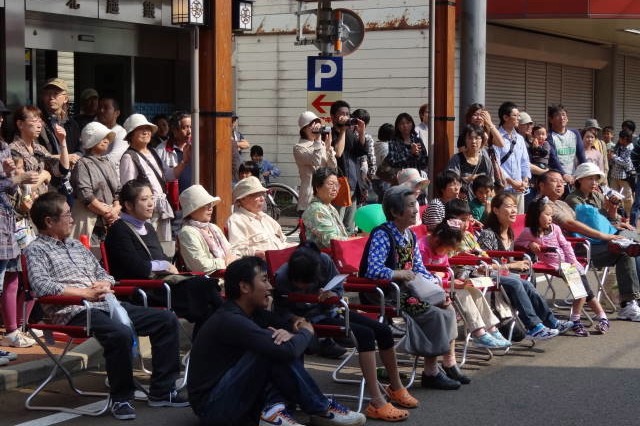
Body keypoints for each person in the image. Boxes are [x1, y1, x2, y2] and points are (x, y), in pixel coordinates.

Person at [25, 191, 188, 421]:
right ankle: (121, 397)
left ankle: (163, 390)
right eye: (67, 215)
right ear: (49, 221)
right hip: (74, 310)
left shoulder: (77, 246)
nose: (72, 220)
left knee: (166, 320)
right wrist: (84, 293)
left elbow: (104, 273)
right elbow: (41, 286)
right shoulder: (36, 250)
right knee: (119, 333)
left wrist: (104, 283)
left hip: (106, 303)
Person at [187, 256, 366, 426]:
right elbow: (290, 348)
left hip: (238, 400)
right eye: (264, 280)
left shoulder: (257, 314)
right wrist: (306, 330)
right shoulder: (230, 320)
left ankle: (276, 411)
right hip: (213, 408)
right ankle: (320, 408)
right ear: (244, 287)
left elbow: (310, 346)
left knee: (277, 345)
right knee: (270, 349)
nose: (270, 286)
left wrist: (295, 331)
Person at [274, 243, 416, 421]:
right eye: (299, 284)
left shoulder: (324, 262)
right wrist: (294, 318)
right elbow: (279, 310)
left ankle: (396, 387)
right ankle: (377, 401)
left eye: (307, 283)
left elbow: (339, 288)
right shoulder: (282, 277)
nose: (303, 287)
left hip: (329, 310)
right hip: (306, 319)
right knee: (365, 335)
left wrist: (332, 295)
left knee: (384, 330)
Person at [361, 185, 470, 390]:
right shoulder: (382, 234)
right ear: (394, 212)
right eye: (410, 205)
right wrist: (396, 273)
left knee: (447, 308)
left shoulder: (409, 236)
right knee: (436, 315)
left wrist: (438, 288)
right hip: (386, 294)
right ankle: (431, 372)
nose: (416, 209)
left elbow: (420, 269)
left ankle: (443, 366)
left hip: (408, 291)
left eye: (416, 204)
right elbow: (372, 270)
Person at [104, 180, 223, 338]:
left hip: (160, 284)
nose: (150, 204)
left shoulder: (148, 227)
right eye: (144, 199)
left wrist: (163, 264)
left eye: (151, 198)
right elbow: (137, 268)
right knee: (206, 290)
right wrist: (164, 264)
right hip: (140, 289)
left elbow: (159, 258)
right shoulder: (119, 230)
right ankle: (220, 340)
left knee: (208, 297)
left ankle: (202, 351)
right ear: (129, 205)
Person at [476, 192, 573, 339]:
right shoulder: (488, 234)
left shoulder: (509, 232)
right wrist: (514, 265)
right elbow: (485, 265)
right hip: (488, 276)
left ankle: (552, 322)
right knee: (516, 282)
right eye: (509, 206)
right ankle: (534, 327)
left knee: (526, 284)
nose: (514, 210)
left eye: (515, 206)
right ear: (495, 210)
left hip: (503, 275)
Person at [515, 196, 610, 335]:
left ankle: (592, 318)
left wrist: (572, 262)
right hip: (553, 264)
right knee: (582, 289)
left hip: (566, 263)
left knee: (582, 289)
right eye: (547, 215)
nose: (550, 218)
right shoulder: (528, 232)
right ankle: (584, 319)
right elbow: (517, 243)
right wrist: (529, 244)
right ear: (536, 215)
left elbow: (565, 245)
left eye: (551, 215)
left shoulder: (555, 228)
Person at [559, 165, 640, 320]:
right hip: (584, 246)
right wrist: (613, 226)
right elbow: (590, 226)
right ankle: (628, 304)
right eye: (590, 178)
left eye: (596, 178)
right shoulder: (573, 199)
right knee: (627, 247)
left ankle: (631, 301)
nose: (594, 181)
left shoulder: (597, 196)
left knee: (631, 248)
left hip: (602, 241)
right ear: (579, 179)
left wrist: (613, 209)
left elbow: (609, 220)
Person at [418, 219, 511, 348]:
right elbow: (423, 278)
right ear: (437, 239)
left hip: (441, 284)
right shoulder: (422, 249)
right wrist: (447, 282)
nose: (445, 253)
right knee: (461, 293)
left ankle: (492, 328)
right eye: (445, 249)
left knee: (473, 290)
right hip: (426, 289)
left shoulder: (442, 247)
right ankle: (478, 333)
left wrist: (447, 279)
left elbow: (445, 270)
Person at [119, 113, 174, 242]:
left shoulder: (153, 152)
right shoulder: (129, 157)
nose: (146, 132)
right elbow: (129, 189)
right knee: (150, 244)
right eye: (140, 129)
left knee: (165, 247)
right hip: (145, 212)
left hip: (161, 207)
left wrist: (184, 162)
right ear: (131, 134)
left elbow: (167, 175)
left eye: (147, 128)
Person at [70, 122, 121, 243]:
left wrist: (116, 208)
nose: (106, 140)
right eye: (102, 137)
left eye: (107, 138)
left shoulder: (108, 162)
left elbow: (118, 191)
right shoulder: (82, 164)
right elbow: (85, 194)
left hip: (109, 222)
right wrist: (108, 212)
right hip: (90, 222)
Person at [227, 176, 293, 258]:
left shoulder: (265, 218)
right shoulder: (237, 219)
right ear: (242, 199)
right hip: (263, 266)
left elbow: (282, 243)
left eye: (263, 194)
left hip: (281, 260)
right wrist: (257, 253)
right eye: (256, 195)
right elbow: (236, 250)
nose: (262, 198)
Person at [10, 105, 69, 198]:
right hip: (25, 206)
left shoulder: (39, 148)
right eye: (34, 122)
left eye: (40, 121)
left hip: (42, 203)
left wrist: (62, 141)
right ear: (20, 124)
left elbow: (62, 170)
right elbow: (20, 187)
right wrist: (43, 176)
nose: (39, 125)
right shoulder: (13, 150)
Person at [177, 184, 236, 274]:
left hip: (228, 276)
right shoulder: (187, 232)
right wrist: (225, 261)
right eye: (205, 205)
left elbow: (232, 252)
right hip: (210, 282)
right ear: (192, 210)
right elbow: (200, 266)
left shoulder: (214, 228)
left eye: (211, 204)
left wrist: (232, 258)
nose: (211, 208)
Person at [330, 100, 368, 233]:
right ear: (333, 117)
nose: (346, 117)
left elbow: (361, 151)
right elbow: (338, 153)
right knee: (337, 223)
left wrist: (362, 132)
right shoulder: (329, 134)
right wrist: (343, 131)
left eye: (347, 114)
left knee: (350, 226)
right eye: (342, 114)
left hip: (353, 183)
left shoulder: (350, 133)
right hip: (339, 183)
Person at [293, 111, 337, 212]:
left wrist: (328, 148)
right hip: (310, 197)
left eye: (318, 123)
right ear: (304, 129)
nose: (316, 127)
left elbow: (333, 167)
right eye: (312, 125)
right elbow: (316, 161)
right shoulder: (299, 148)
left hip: (325, 195)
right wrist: (318, 140)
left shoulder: (321, 144)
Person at [494, 102, 531, 213]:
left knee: (518, 220)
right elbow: (496, 164)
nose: (518, 118)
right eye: (515, 115)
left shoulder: (519, 138)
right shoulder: (496, 137)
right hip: (504, 189)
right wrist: (511, 182)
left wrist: (525, 180)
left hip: (520, 189)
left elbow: (525, 161)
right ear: (505, 117)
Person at [301, 167, 349, 250]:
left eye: (337, 185)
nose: (335, 189)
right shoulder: (316, 209)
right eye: (330, 184)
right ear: (318, 187)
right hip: (322, 259)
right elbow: (332, 241)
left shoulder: (329, 207)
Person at [447, 124, 493, 199]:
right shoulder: (457, 159)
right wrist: (469, 178)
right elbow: (451, 181)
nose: (473, 141)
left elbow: (491, 184)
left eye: (477, 138)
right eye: (470, 138)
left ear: (482, 140)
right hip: (463, 203)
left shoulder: (486, 161)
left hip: (481, 204)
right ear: (465, 140)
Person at [38, 78, 81, 157]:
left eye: (56, 93)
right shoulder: (37, 122)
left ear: (66, 99)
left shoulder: (72, 124)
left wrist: (74, 157)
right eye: (47, 93)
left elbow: (80, 149)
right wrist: (64, 158)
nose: (51, 97)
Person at [547, 104, 586, 186]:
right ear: (551, 120)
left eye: (563, 114)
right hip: (556, 179)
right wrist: (564, 174)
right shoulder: (549, 136)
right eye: (557, 115)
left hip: (573, 178)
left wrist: (586, 173)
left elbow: (581, 156)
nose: (562, 118)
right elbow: (553, 158)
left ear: (567, 118)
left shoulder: (575, 133)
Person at [155, 111, 192, 195]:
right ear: (175, 130)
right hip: (173, 200)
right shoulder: (161, 150)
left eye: (191, 127)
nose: (189, 131)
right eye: (185, 127)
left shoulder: (197, 147)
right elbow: (162, 177)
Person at [351, 108, 376, 204]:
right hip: (351, 171)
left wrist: (370, 175)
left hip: (362, 173)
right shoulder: (347, 134)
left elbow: (371, 156)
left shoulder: (367, 137)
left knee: (360, 203)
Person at [608, 129, 635, 215]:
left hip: (625, 178)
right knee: (612, 196)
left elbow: (626, 163)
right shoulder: (619, 147)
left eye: (620, 138)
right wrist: (611, 157)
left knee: (627, 198)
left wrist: (614, 157)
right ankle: (616, 215)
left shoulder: (631, 148)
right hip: (615, 176)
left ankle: (629, 216)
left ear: (625, 138)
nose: (619, 140)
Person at [98, 97, 128, 173]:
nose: (101, 111)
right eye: (100, 107)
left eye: (106, 108)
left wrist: (88, 162)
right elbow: (83, 150)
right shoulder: (94, 130)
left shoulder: (121, 132)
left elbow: (113, 158)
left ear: (117, 113)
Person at [231, 115, 250, 184]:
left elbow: (247, 144)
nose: (232, 123)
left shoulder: (237, 134)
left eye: (234, 121)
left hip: (238, 165)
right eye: (231, 121)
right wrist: (239, 145)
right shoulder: (223, 133)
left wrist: (233, 143)